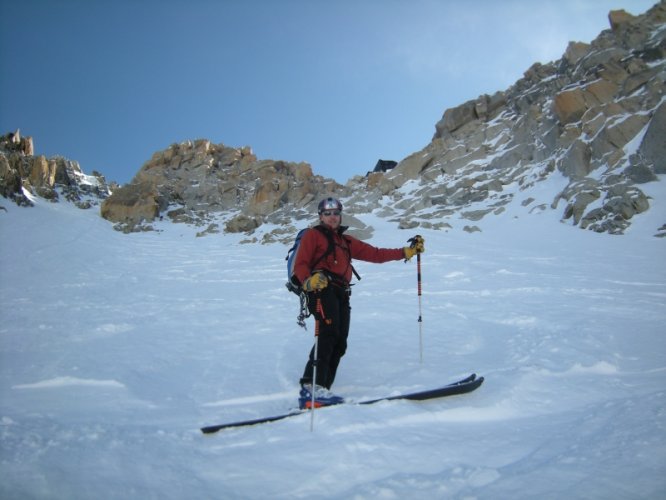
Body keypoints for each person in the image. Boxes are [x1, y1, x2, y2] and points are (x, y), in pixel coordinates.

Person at [291, 197, 425, 409]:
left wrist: (405, 252)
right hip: (321, 289)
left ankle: (322, 391)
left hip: (342, 293)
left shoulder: (346, 241)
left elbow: (376, 254)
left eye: (336, 213)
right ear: (320, 216)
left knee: (340, 341)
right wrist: (308, 281)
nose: (333, 217)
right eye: (328, 214)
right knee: (328, 335)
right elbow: (301, 264)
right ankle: (311, 388)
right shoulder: (312, 235)